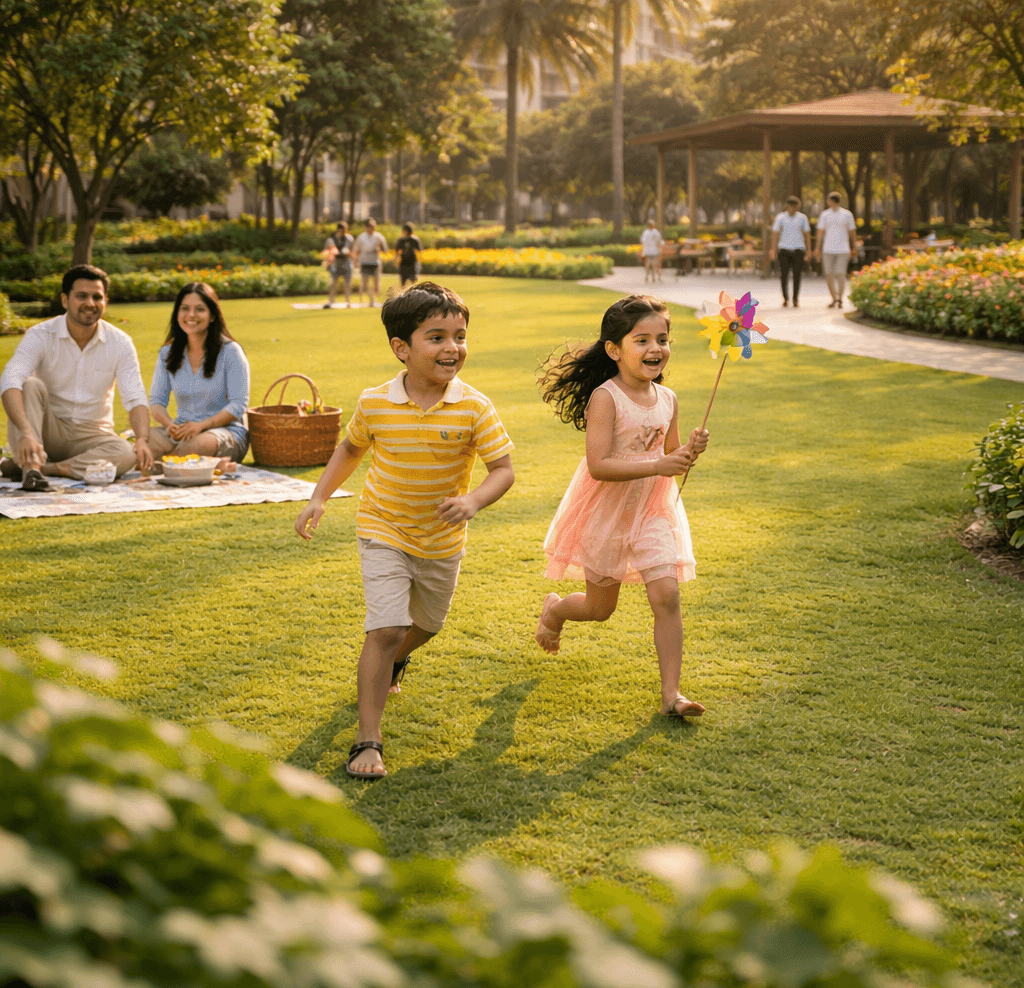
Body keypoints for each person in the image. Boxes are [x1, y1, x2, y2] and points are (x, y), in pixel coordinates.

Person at [294, 282, 515, 780]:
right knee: (387, 628)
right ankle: (366, 740)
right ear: (401, 348)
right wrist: (319, 497)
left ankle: (393, 662)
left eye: (459, 336)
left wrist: (473, 499)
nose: (452, 348)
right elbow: (350, 449)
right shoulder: (375, 403)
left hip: (441, 542)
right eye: (436, 337)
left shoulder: (474, 406)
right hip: (383, 528)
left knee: (426, 628)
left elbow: (503, 469)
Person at [533, 295, 708, 720]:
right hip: (606, 510)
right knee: (600, 609)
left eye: (662, 339)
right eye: (642, 339)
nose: (655, 349)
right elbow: (599, 466)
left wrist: (688, 451)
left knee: (666, 596)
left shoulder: (668, 398)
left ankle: (672, 695)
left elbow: (670, 455)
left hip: (653, 511)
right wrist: (662, 462)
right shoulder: (606, 398)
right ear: (614, 350)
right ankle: (555, 609)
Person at [0, 265, 153, 491]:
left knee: (126, 454)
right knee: (28, 384)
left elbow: (135, 397)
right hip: (45, 430)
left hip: (93, 435)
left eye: (96, 297)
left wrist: (141, 438)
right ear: (65, 300)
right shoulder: (41, 334)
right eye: (81, 296)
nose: (90, 303)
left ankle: (45, 469)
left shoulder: (120, 342)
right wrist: (25, 432)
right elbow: (10, 380)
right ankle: (32, 466)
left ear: (105, 301)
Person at [148, 282, 251, 466]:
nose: (191, 315)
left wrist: (201, 426)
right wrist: (169, 424)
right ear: (177, 314)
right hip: (183, 429)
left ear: (212, 315)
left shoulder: (231, 351)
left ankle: (165, 468)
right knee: (144, 441)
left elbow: (238, 404)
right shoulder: (167, 353)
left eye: (200, 309)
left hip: (223, 432)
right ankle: (196, 466)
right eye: (185, 309)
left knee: (193, 446)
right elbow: (156, 401)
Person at [815, 191, 858, 309]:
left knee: (840, 273)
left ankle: (840, 298)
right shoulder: (825, 215)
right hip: (828, 248)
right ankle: (834, 298)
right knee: (829, 274)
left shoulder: (847, 214)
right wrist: (817, 248)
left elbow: (852, 232)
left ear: (832, 201)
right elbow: (820, 233)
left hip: (843, 249)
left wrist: (854, 246)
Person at [769, 194, 811, 308]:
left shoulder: (802, 218)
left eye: (795, 206)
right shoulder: (780, 217)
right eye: (790, 206)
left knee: (797, 275)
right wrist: (773, 249)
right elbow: (775, 234)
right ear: (787, 206)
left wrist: (809, 251)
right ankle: (785, 298)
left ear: (798, 207)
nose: (792, 208)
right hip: (784, 249)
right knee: (784, 275)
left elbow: (807, 235)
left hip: (798, 249)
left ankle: (795, 299)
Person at [352, 217, 389, 308]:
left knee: (376, 285)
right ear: (366, 227)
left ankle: (375, 302)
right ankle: (371, 301)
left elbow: (385, 249)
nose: (372, 228)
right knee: (365, 285)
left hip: (375, 263)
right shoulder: (361, 237)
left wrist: (379, 249)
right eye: (370, 226)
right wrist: (355, 261)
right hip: (364, 262)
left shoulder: (379, 236)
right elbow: (356, 250)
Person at [323, 221, 354, 308]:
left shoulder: (349, 238)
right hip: (335, 263)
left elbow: (353, 251)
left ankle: (348, 302)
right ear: (338, 230)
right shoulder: (331, 239)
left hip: (346, 263)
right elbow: (326, 251)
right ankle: (331, 301)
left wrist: (349, 254)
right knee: (333, 283)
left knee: (347, 283)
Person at [395, 222, 422, 290]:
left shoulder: (414, 240)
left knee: (413, 282)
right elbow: (397, 251)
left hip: (412, 263)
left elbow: (419, 251)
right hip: (404, 263)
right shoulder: (401, 240)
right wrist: (396, 260)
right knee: (403, 283)